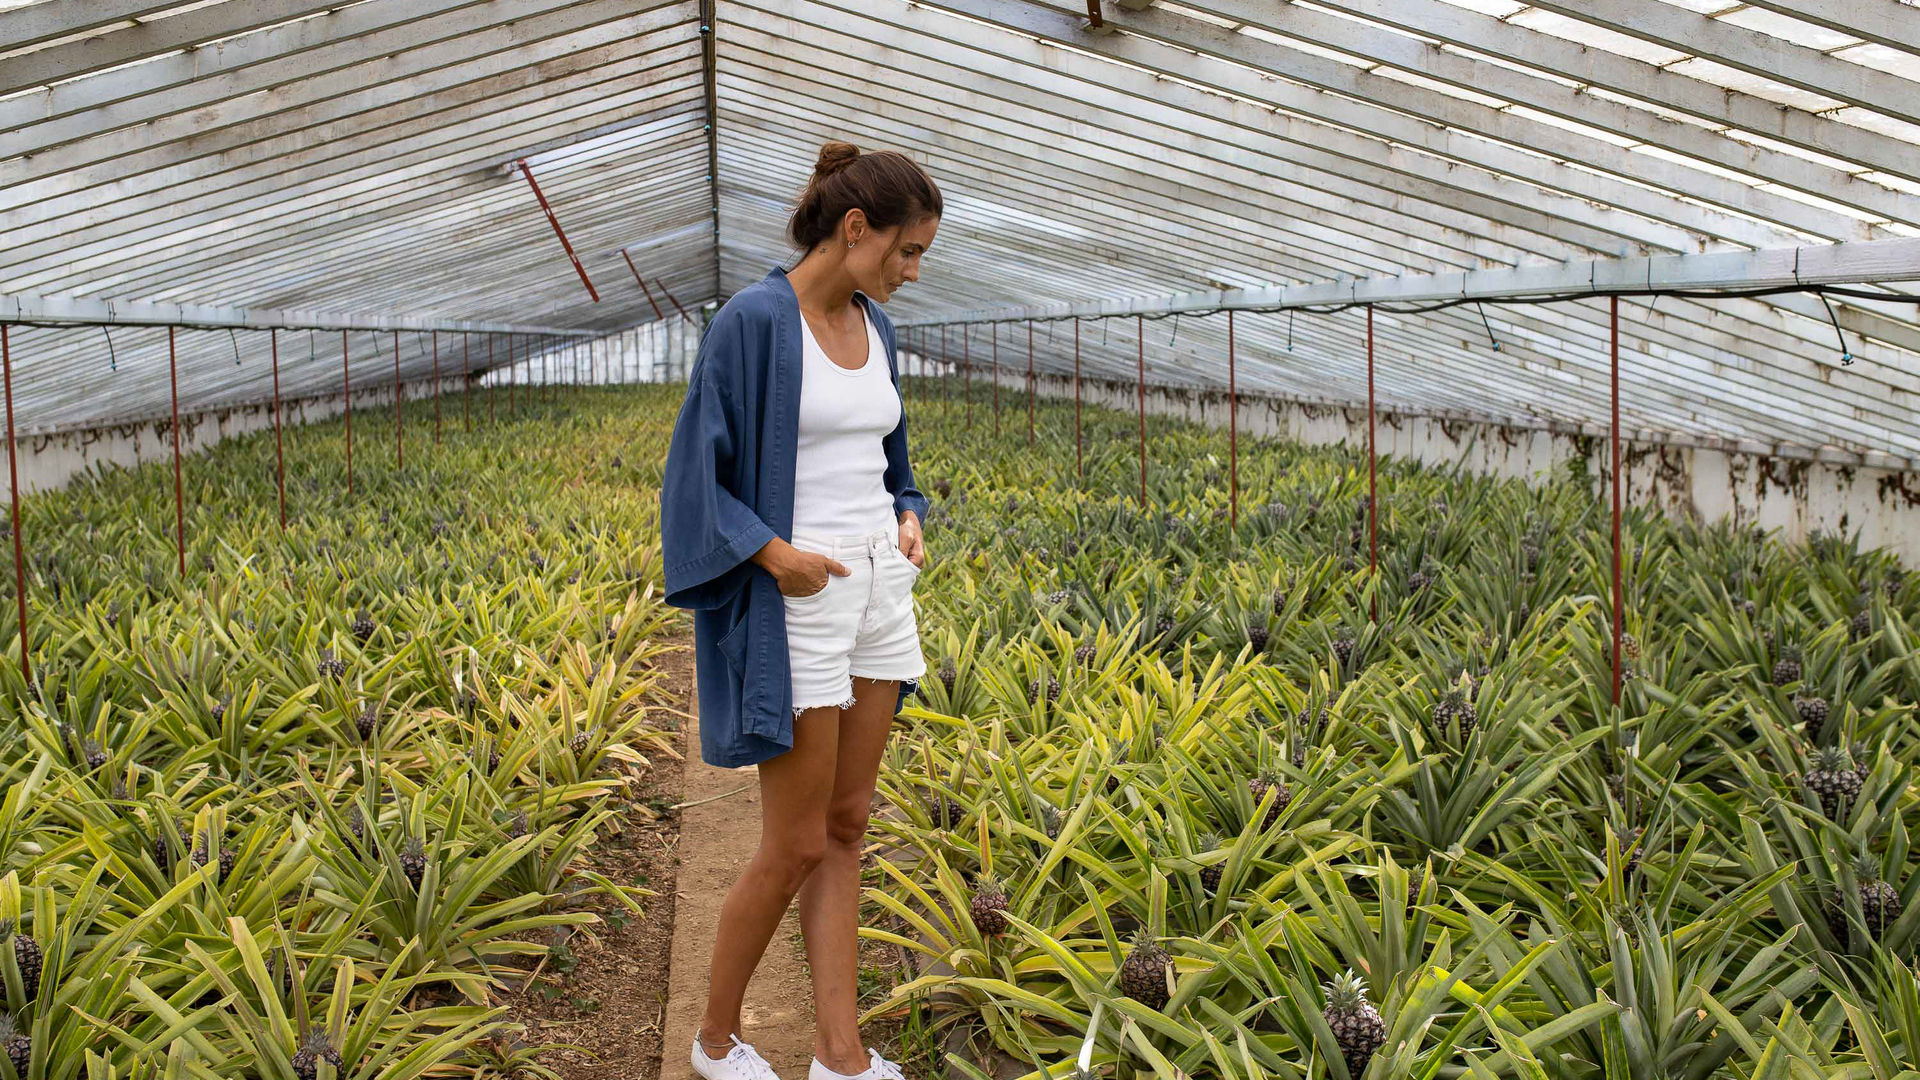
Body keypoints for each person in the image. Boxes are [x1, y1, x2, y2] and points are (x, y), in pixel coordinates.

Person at [660, 140, 942, 1080]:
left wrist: (906, 515)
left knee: (851, 822)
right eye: (905, 253)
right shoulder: (752, 323)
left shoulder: (879, 329)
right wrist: (775, 557)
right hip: (800, 599)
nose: (911, 273)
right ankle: (711, 1040)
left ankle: (840, 1056)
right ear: (853, 229)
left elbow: (894, 464)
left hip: (876, 594)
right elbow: (694, 479)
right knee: (792, 840)